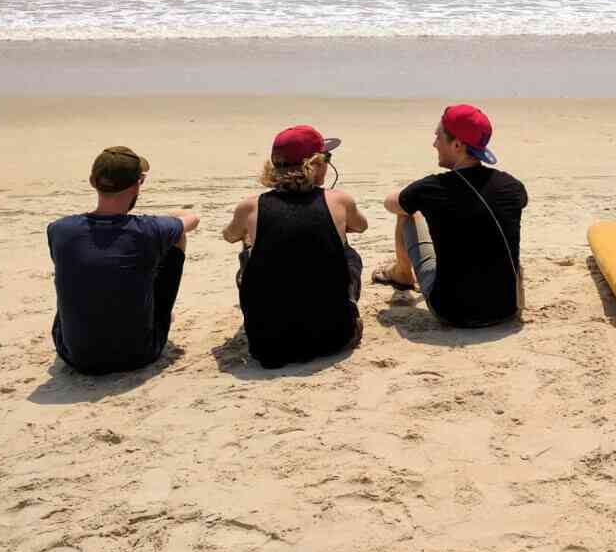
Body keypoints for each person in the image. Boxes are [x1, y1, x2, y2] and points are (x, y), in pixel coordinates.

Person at [224, 125, 368, 368]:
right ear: (316, 164)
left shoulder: (250, 206)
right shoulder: (339, 200)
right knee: (348, 252)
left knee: (249, 250)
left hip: (268, 346)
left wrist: (251, 238)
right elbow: (361, 226)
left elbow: (229, 236)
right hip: (335, 338)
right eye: (327, 158)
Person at [47, 146, 199, 375]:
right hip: (139, 354)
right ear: (139, 183)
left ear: (92, 181)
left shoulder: (59, 229)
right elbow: (191, 219)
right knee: (177, 237)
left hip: (75, 357)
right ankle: (156, 313)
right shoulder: (148, 230)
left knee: (80, 274)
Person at [373, 104, 528, 327]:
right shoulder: (512, 186)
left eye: (438, 136)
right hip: (507, 309)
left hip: (453, 312)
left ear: (457, 145)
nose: (434, 143)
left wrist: (411, 196)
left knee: (407, 213)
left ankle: (402, 275)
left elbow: (390, 204)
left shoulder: (432, 188)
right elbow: (518, 202)